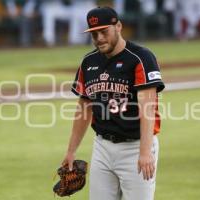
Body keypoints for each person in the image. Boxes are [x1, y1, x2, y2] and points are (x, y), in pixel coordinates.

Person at [61, 7, 165, 200]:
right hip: (102, 148)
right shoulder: (88, 62)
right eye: (94, 34)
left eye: (104, 31)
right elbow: (84, 107)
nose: (99, 38)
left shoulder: (141, 58)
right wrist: (71, 151)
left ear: (118, 26)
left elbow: (148, 108)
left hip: (135, 148)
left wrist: (145, 152)